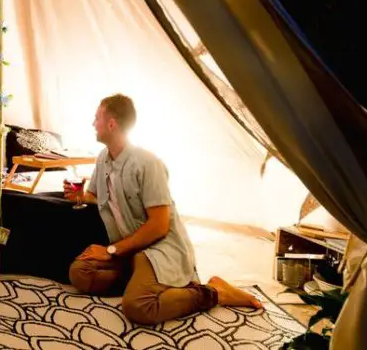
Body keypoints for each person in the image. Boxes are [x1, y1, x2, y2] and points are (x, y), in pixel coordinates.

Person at [66, 94, 263, 325]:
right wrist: (79, 196)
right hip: (129, 250)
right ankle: (140, 281)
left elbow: (159, 226)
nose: (93, 123)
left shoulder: (148, 164)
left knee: (138, 307)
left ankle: (214, 292)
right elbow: (95, 196)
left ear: (112, 124)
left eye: (97, 117)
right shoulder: (103, 158)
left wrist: (110, 251)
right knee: (79, 272)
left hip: (158, 248)